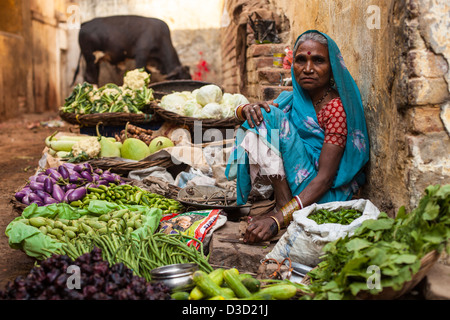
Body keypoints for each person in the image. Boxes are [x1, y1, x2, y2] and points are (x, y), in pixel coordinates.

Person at [225, 30, 370, 243]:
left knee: (268, 117)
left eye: (318, 61)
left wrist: (276, 220)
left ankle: (284, 211)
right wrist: (245, 108)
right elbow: (258, 113)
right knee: (262, 116)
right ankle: (284, 205)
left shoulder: (336, 109)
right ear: (293, 65)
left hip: (323, 195)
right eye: (301, 60)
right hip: (299, 188)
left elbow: (325, 179)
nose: (308, 69)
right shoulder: (294, 99)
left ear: (333, 68)